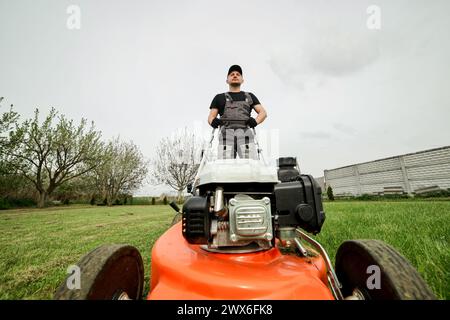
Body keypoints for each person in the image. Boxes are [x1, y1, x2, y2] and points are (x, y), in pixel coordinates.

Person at [208, 65, 267, 159]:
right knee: (224, 164)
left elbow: (263, 113)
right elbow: (211, 117)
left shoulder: (249, 96)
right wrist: (213, 121)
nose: (235, 75)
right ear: (227, 80)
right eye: (232, 74)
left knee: (250, 164)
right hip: (226, 134)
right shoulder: (219, 97)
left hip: (245, 133)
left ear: (242, 80)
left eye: (238, 74)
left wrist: (255, 121)